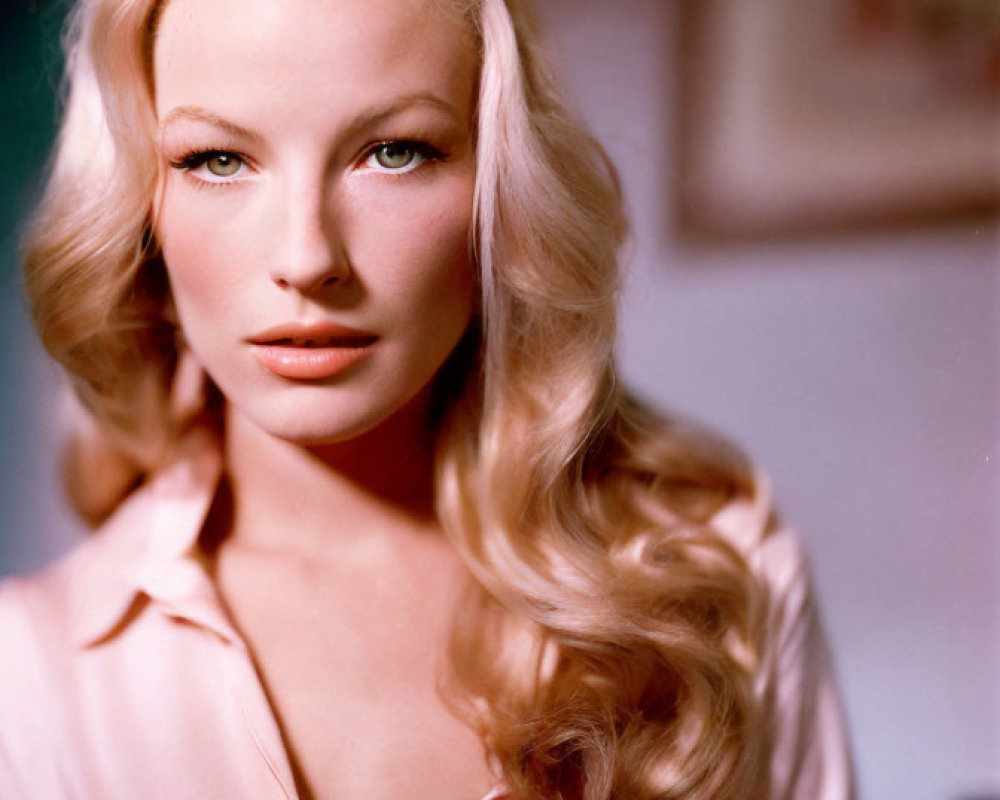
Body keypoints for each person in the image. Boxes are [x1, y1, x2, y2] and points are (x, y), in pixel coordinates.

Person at [0, 0, 855, 797]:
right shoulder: (28, 678)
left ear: (502, 193)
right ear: (140, 211)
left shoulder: (721, 586)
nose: (307, 258)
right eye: (218, 160)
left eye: (395, 152)